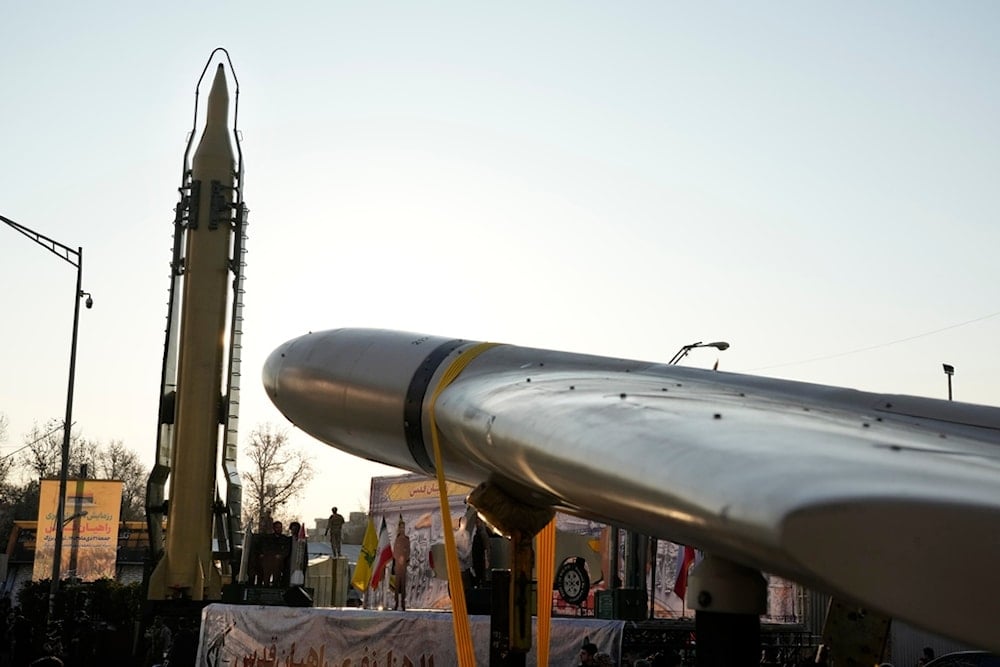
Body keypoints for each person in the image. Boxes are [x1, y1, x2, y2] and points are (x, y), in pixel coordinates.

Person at [392, 516, 411, 610]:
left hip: (403, 565)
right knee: (396, 586)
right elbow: (395, 551)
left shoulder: (406, 539)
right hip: (397, 565)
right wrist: (397, 559)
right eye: (400, 528)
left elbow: (408, 551)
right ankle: (396, 603)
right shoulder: (397, 539)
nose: (402, 529)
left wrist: (405, 559)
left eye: (403, 527)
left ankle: (403, 603)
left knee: (403, 585)